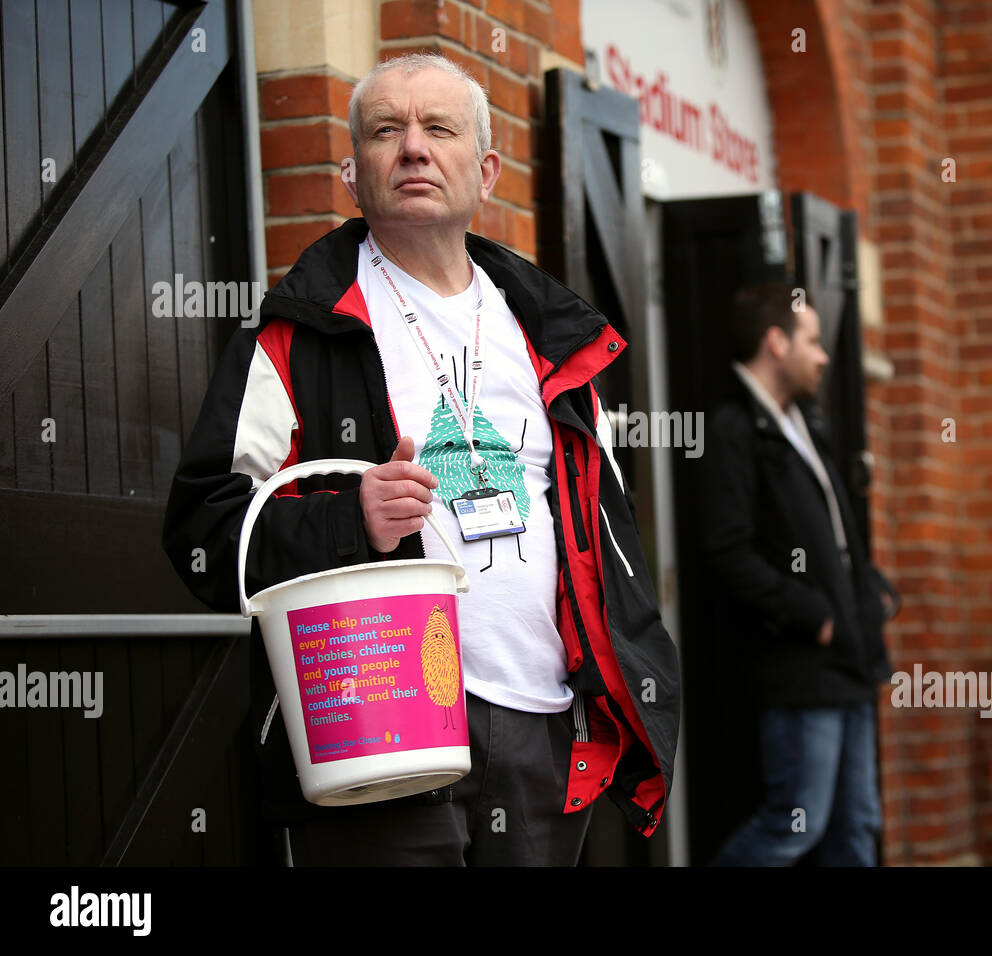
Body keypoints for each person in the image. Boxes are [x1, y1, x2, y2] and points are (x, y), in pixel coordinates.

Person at [162, 53, 679, 865]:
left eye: (439, 128)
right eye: (385, 131)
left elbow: (610, 545)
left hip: (544, 731)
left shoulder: (557, 339)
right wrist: (348, 522)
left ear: (487, 170)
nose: (412, 148)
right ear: (351, 174)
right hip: (376, 723)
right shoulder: (292, 334)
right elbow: (201, 531)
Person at [702, 282, 893, 866]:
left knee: (857, 828)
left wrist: (870, 591)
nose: (824, 355)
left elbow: (832, 533)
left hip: (849, 660)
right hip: (803, 664)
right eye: (812, 340)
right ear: (776, 342)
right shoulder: (734, 429)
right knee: (793, 827)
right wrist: (815, 617)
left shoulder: (803, 422)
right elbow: (728, 553)